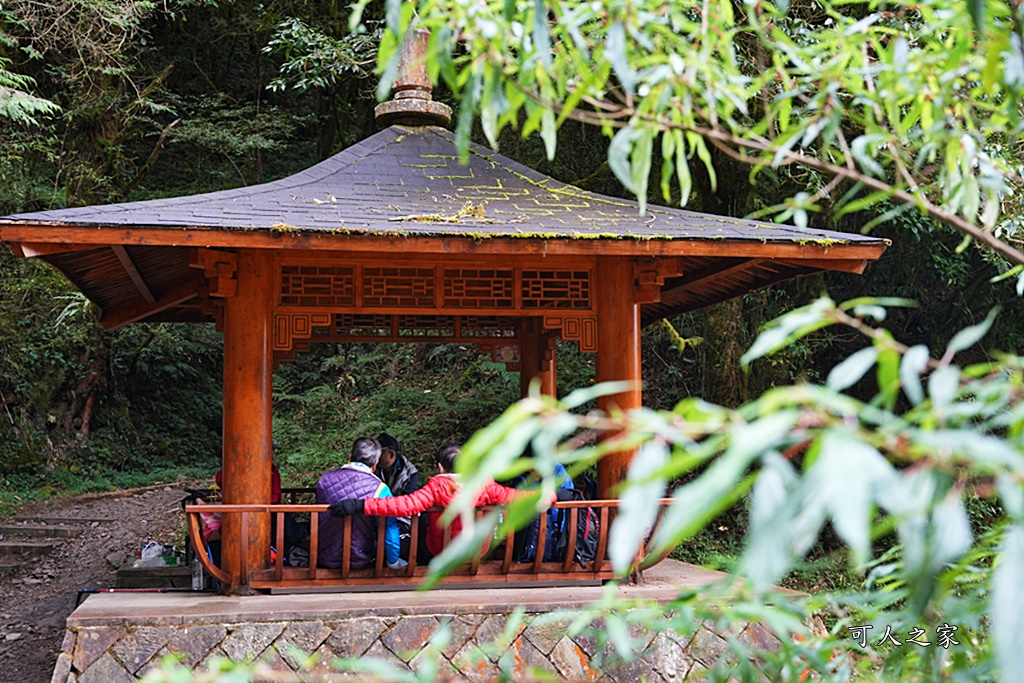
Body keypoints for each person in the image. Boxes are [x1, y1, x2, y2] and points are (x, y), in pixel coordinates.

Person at [329, 443, 567, 564]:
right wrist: (551, 496)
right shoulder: (485, 485)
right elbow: (518, 497)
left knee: (413, 532)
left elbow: (403, 506)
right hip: (477, 553)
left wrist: (360, 505)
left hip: (439, 553)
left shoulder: (436, 487)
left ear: (440, 467)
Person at [316, 438, 406, 570]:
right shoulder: (380, 489)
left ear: (350, 456)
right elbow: (389, 529)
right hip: (361, 559)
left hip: (323, 557)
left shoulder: (324, 480)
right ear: (375, 463)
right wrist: (393, 562)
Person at [376, 432, 419, 560]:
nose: (376, 456)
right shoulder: (375, 468)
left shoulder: (410, 472)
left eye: (380, 452)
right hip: (378, 515)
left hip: (400, 518)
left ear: (391, 454)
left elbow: (407, 502)